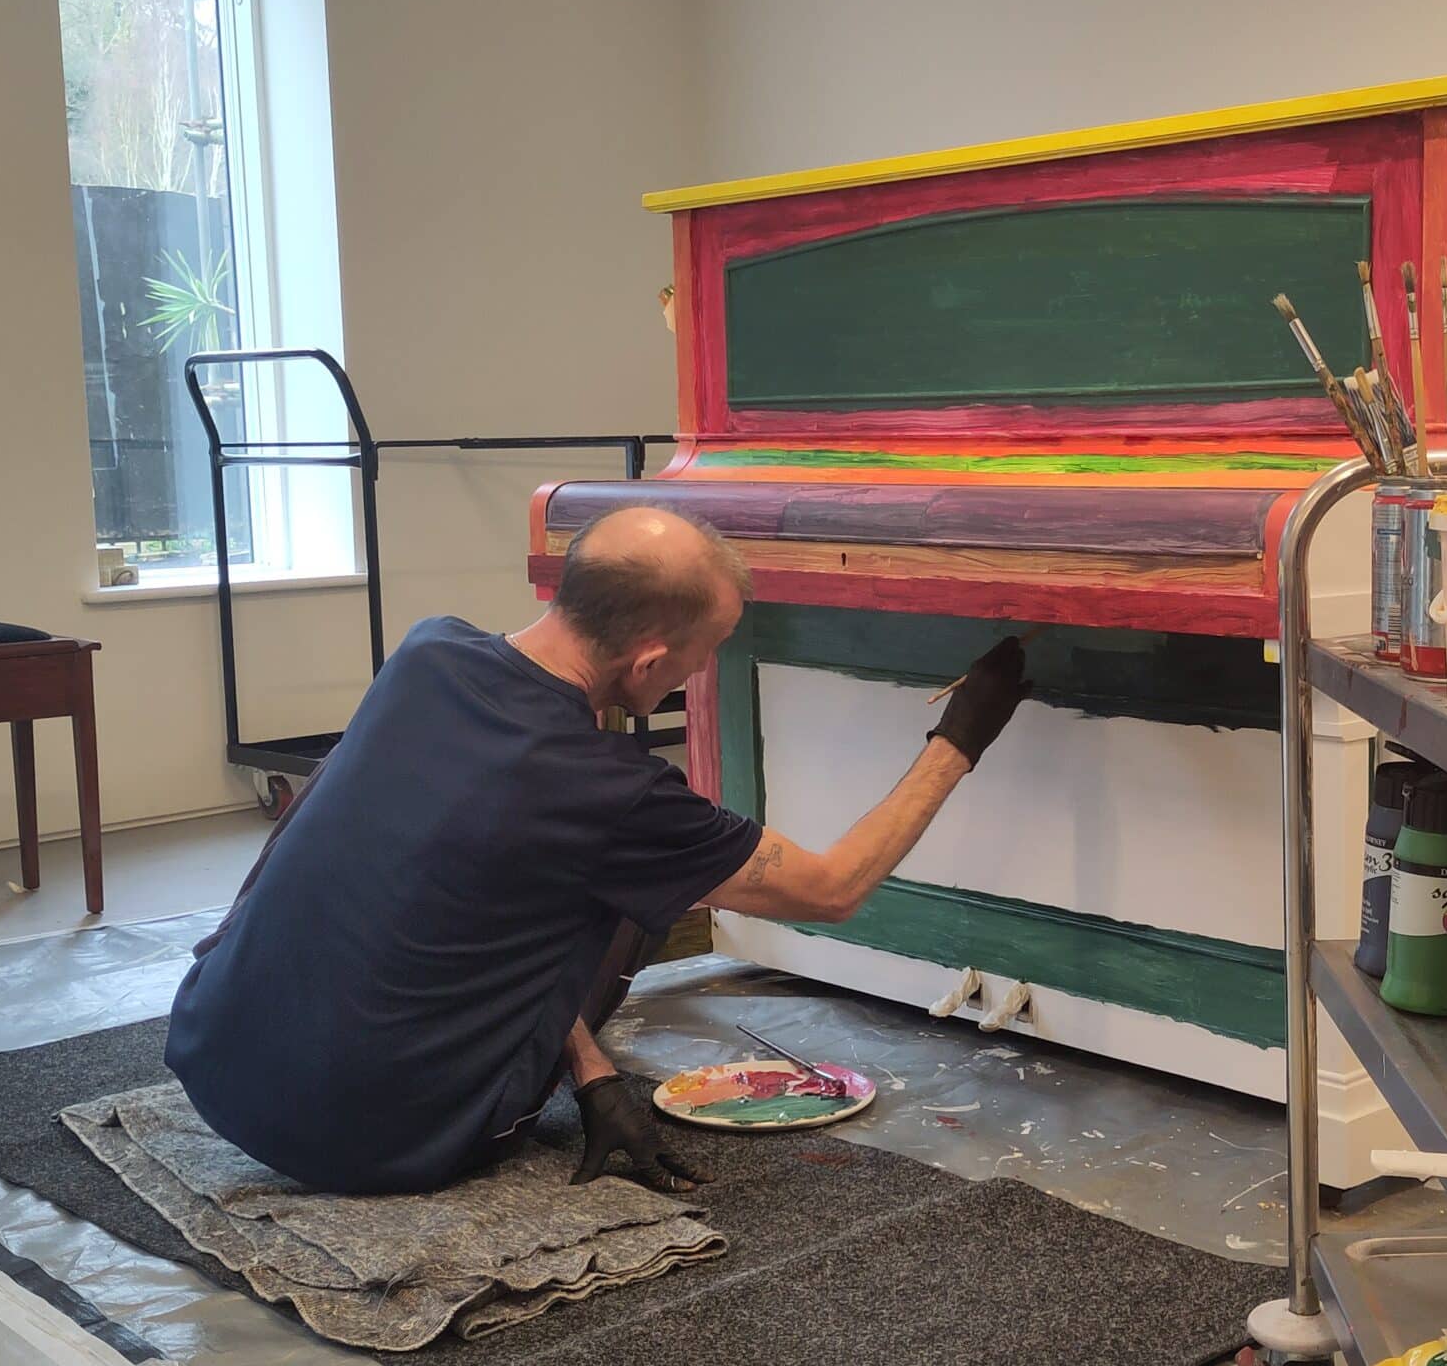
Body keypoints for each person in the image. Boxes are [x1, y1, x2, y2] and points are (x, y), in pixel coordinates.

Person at [163, 506, 1030, 1196]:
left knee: (520, 866)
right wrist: (963, 735)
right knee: (638, 884)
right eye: (703, 656)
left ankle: (545, 1057)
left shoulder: (429, 651)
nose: (697, 674)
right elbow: (833, 887)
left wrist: (592, 1071)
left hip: (217, 1058)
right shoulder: (611, 792)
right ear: (651, 659)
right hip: (368, 1141)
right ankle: (470, 1099)